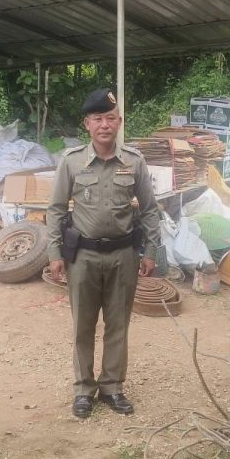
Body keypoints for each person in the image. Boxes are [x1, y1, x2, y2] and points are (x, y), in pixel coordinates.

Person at [47, 88, 161, 419]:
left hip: (123, 255)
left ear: (119, 122)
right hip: (83, 257)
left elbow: (150, 209)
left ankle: (112, 387)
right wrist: (54, 252)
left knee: (118, 325)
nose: (104, 125)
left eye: (110, 118)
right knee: (83, 326)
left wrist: (151, 250)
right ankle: (84, 389)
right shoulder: (71, 162)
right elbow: (55, 209)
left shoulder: (134, 161)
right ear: (87, 124)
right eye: (97, 119)